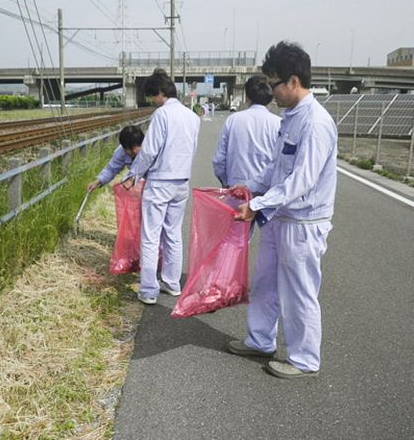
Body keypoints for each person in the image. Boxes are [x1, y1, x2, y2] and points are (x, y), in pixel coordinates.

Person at [228, 41, 338, 380]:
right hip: (280, 218)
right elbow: (276, 168)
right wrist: (250, 188)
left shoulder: (316, 123)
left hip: (303, 222)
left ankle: (305, 360)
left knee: (299, 292)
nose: (271, 90)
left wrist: (257, 205)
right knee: (264, 284)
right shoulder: (289, 118)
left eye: (274, 83)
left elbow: (301, 179)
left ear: (292, 81)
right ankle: (260, 340)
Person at [122, 69, 201, 305]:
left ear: (159, 93)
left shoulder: (161, 115)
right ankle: (172, 283)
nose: (152, 100)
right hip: (181, 182)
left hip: (160, 182)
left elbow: (149, 151)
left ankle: (148, 290)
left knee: (150, 237)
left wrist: (133, 175)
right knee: (173, 234)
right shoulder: (192, 116)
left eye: (152, 96)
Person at [212, 74, 280, 192]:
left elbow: (219, 160)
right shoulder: (278, 123)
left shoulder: (233, 120)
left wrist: (226, 183)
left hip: (236, 189)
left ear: (247, 97)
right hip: (267, 192)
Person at [86, 125, 144, 192]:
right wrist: (97, 182)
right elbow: (111, 169)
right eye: (130, 149)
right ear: (124, 148)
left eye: (136, 147)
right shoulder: (121, 152)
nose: (134, 151)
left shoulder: (152, 149)